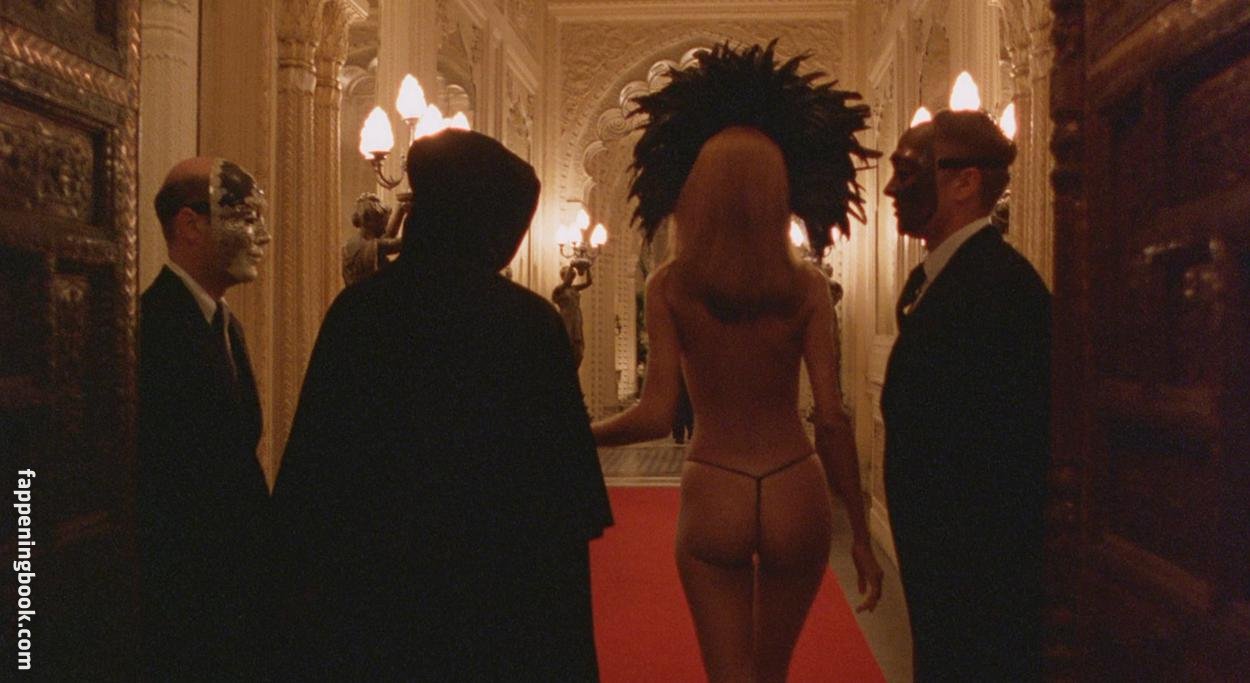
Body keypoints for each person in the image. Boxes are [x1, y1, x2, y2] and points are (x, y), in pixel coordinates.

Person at [271, 129, 613, 679]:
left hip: (375, 606)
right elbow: (564, 508)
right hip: (498, 608)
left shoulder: (358, 314)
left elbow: (314, 478)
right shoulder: (528, 324)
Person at [591, 42, 883, 681]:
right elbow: (831, 418)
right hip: (793, 481)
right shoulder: (807, 287)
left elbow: (656, 412)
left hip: (716, 483)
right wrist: (860, 536)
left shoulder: (670, 285)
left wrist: (582, 434)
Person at [881, 109, 1050, 681]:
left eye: (908, 172)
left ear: (964, 182)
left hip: (977, 575)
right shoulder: (945, 276)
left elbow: (1008, 449)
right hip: (944, 563)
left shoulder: (1002, 287)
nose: (892, 189)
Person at [137, 157, 272, 678]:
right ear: (191, 224)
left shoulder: (227, 326)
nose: (262, 235)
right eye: (246, 217)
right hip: (185, 606)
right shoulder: (150, 326)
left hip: (235, 596)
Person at [341, 192, 405, 286]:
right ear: (369, 222)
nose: (384, 230)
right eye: (382, 225)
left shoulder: (350, 245)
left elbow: (387, 237)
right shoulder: (374, 246)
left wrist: (401, 209)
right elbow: (405, 243)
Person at [552, 259, 592, 367]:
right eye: (570, 276)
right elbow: (566, 283)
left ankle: (573, 367)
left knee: (578, 347)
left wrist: (588, 268)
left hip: (576, 317)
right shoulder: (559, 290)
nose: (572, 278)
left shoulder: (574, 288)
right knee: (567, 342)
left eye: (573, 276)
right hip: (566, 317)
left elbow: (589, 283)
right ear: (563, 276)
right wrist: (571, 266)